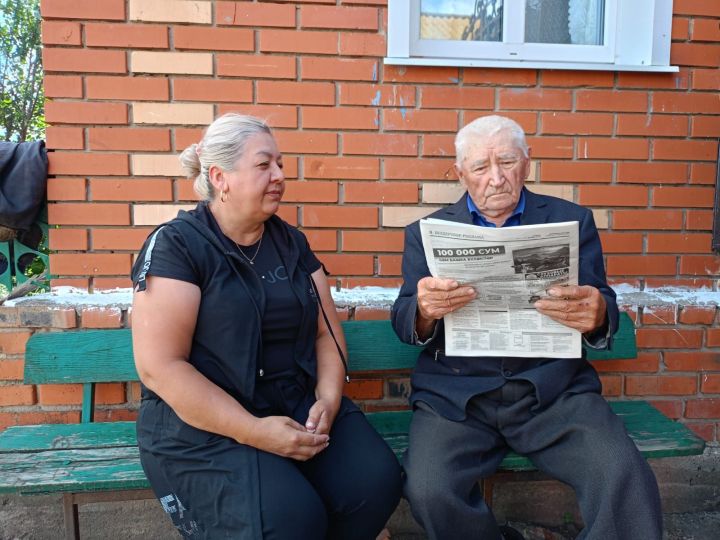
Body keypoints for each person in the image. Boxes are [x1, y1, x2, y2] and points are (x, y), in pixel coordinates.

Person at [131, 113, 402, 539]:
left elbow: (325, 334)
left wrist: (328, 401)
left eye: (279, 163)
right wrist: (254, 431)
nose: (279, 175)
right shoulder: (177, 246)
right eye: (264, 165)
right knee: (289, 518)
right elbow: (159, 367)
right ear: (220, 177)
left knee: (377, 481)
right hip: (204, 424)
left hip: (292, 403)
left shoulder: (290, 243)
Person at [391, 115, 662, 540]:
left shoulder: (571, 221)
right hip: (459, 398)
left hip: (552, 392)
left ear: (527, 164)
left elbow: (600, 301)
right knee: (428, 488)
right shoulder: (427, 233)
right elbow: (407, 317)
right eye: (480, 167)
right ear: (461, 173)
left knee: (621, 472)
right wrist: (425, 309)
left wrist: (598, 314)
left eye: (507, 162)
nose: (495, 179)